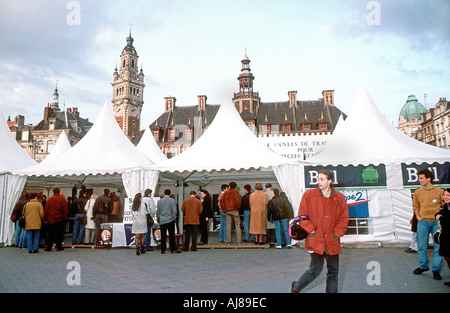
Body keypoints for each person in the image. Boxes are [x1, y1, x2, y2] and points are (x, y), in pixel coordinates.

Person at [291, 170, 349, 293]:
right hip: (315, 240)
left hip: (332, 241)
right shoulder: (309, 195)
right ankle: (297, 287)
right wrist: (312, 231)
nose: (319, 182)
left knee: (333, 272)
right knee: (315, 270)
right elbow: (302, 216)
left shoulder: (339, 198)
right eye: (318, 179)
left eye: (322, 179)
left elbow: (343, 219)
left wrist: (336, 234)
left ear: (330, 181)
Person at [412, 169, 444, 280]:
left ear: (428, 179)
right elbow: (415, 206)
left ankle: (436, 270)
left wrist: (440, 220)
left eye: (421, 178)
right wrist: (418, 217)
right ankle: (423, 266)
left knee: (438, 247)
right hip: (423, 223)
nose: (419, 180)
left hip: (436, 224)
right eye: (419, 178)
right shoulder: (417, 192)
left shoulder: (439, 192)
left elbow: (444, 206)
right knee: (421, 246)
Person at [157, 189, 181, 254]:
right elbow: (174, 211)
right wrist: (173, 218)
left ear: (164, 194)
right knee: (171, 235)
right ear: (170, 194)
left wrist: (158, 218)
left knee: (163, 235)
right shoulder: (172, 200)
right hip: (170, 220)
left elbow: (158, 211)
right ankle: (173, 249)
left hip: (162, 220)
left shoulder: (159, 201)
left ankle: (163, 250)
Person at [435, 188, 450, 287]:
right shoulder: (445, 207)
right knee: (448, 258)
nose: (445, 197)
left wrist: (441, 217)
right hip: (446, 237)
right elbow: (438, 214)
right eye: (444, 195)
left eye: (448, 195)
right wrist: (438, 215)